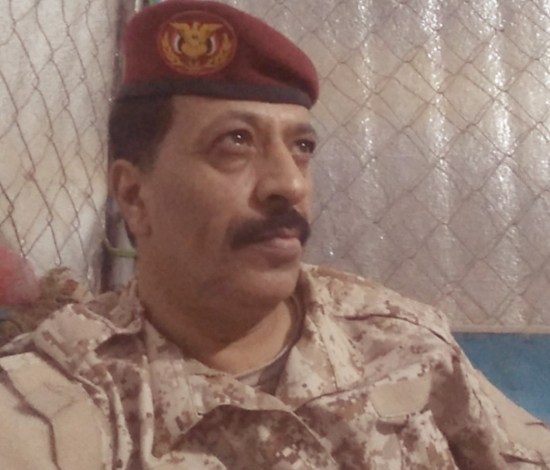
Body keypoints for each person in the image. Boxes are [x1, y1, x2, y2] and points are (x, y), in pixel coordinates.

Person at [1, 1, 549, 468]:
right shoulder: (61, 399)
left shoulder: (401, 341)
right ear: (134, 196)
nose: (290, 183)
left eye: (302, 147)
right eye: (235, 142)